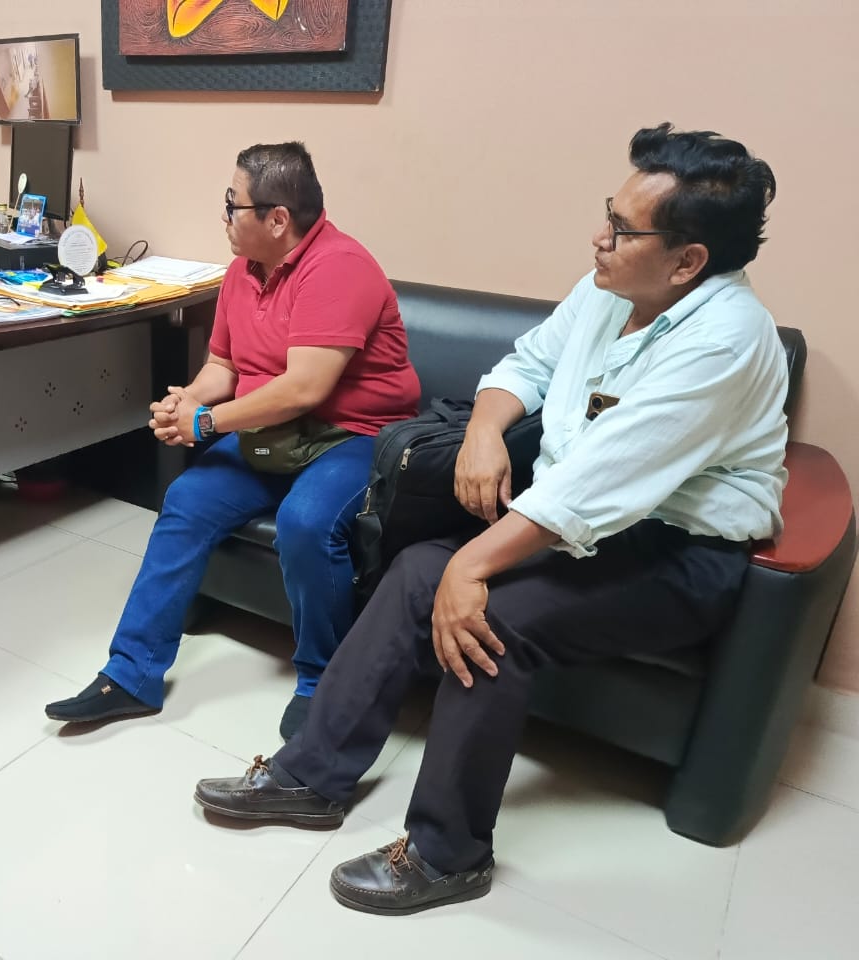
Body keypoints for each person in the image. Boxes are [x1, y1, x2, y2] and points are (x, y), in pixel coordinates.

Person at [193, 124, 787, 915]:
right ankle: (310, 776)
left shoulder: (725, 341)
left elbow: (598, 487)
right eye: (607, 214)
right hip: (581, 519)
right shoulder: (612, 291)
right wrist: (482, 431)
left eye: (621, 229)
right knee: (417, 572)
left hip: (677, 553)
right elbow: (526, 364)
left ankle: (449, 855)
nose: (599, 238)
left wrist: (472, 567)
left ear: (688, 262)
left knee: (491, 618)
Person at [45, 141, 420, 740]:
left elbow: (304, 388)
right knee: (187, 501)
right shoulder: (244, 271)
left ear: (278, 219)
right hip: (276, 432)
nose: (224, 216)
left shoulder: (340, 268)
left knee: (306, 522)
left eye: (232, 204)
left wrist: (208, 423)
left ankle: (323, 683)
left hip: (353, 434)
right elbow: (223, 364)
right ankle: (133, 674)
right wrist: (188, 402)